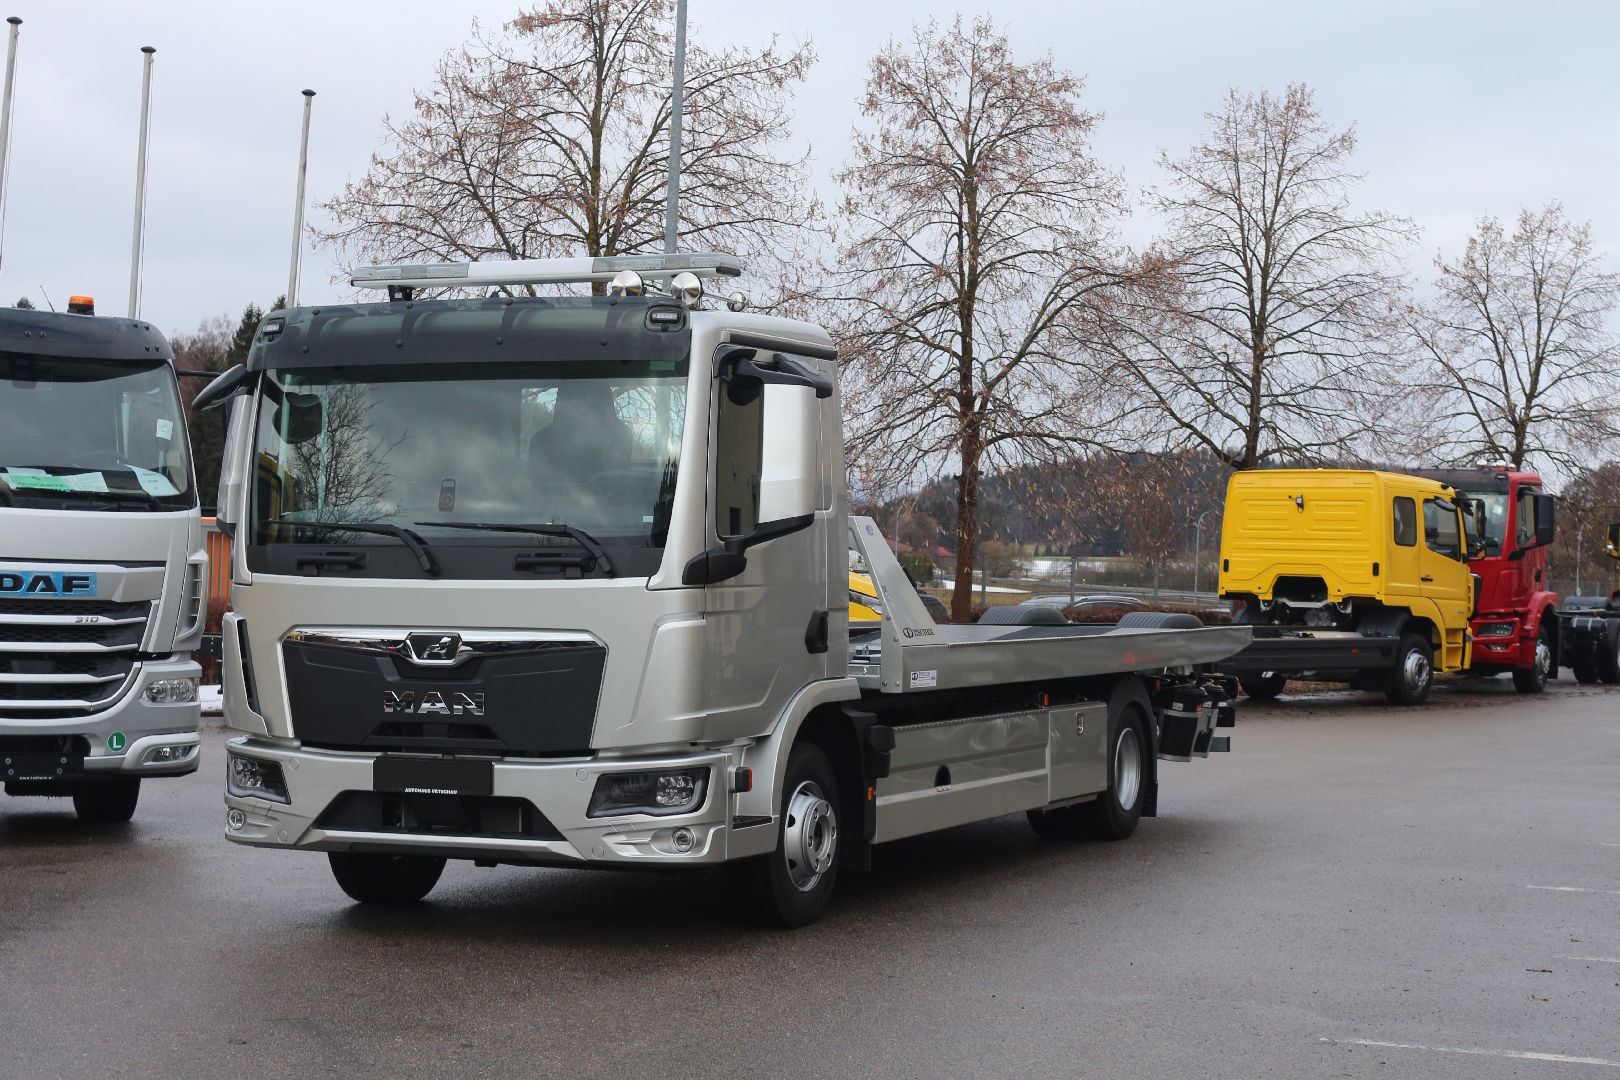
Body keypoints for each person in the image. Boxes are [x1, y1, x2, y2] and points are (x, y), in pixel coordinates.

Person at [528, 382, 631, 476]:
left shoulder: (620, 439)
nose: (583, 410)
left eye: (592, 402)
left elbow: (622, 483)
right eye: (574, 403)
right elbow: (534, 485)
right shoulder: (542, 442)